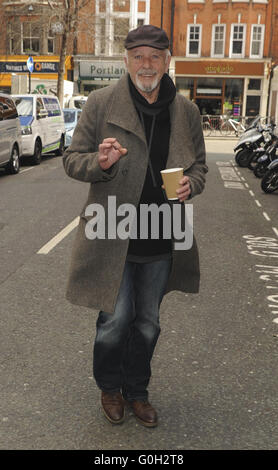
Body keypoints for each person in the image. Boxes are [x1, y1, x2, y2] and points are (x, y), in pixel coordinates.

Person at [63, 25, 208, 428]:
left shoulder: (187, 111)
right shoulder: (100, 103)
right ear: (126, 60)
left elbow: (200, 166)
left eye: (155, 56)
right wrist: (101, 163)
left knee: (148, 322)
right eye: (139, 56)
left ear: (166, 62)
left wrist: (191, 184)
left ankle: (137, 392)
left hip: (161, 233)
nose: (147, 64)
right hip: (113, 234)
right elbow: (73, 160)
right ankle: (110, 388)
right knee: (115, 319)